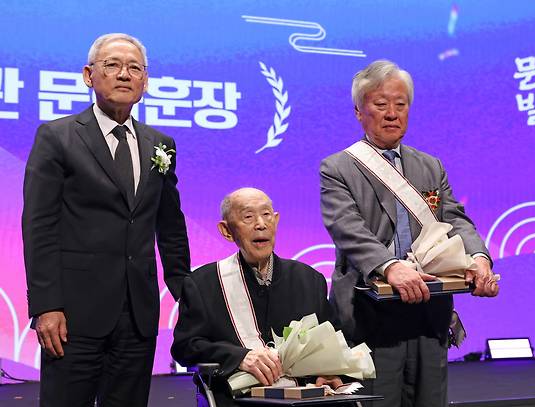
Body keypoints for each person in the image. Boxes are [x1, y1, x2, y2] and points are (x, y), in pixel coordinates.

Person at [22, 33, 190, 407]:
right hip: (73, 316)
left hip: (139, 315)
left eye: (135, 68)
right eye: (112, 65)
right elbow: (39, 227)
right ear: (88, 75)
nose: (124, 74)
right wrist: (46, 305)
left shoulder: (160, 144)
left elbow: (171, 226)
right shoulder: (58, 137)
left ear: (145, 82)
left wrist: (187, 293)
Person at [320, 59, 499, 407]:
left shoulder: (430, 165)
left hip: (429, 309)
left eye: (400, 105)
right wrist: (390, 267)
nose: (392, 113)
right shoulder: (337, 167)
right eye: (380, 104)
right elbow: (347, 228)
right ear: (359, 111)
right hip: (371, 310)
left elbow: (456, 220)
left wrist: (479, 258)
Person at [172, 188, 341, 406]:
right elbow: (185, 347)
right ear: (226, 230)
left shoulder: (309, 280)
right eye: (248, 217)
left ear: (276, 221)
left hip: (304, 398)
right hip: (238, 398)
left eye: (266, 215)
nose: (260, 224)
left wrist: (329, 372)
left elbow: (335, 339)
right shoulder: (203, 284)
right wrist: (240, 357)